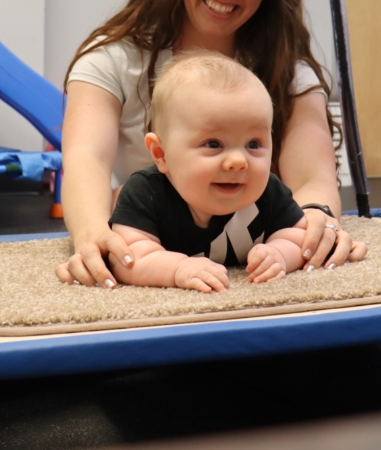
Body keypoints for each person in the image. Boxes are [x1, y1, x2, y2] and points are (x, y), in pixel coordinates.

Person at [55, 0, 381, 411]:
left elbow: (313, 175)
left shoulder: (286, 70)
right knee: (3, 357)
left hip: (248, 270)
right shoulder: (113, 59)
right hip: (152, 266)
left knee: (367, 376)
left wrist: (313, 225)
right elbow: (85, 156)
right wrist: (91, 238)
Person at [109, 51, 316, 292]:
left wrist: (280, 252)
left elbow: (298, 235)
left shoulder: (269, 191)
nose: (238, 161)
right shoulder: (145, 193)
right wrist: (178, 269)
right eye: (213, 144)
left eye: (254, 144)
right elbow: (128, 259)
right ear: (161, 154)